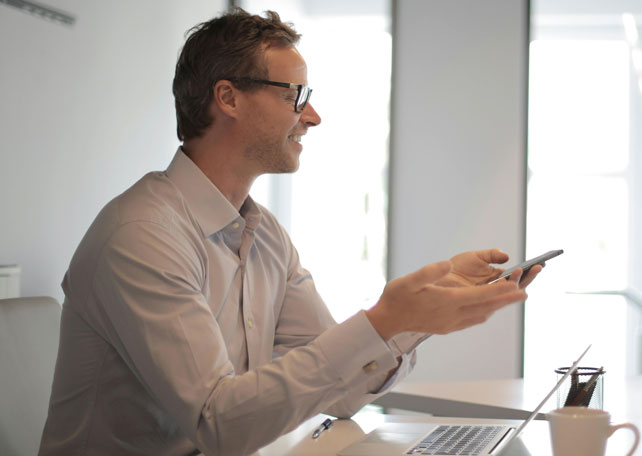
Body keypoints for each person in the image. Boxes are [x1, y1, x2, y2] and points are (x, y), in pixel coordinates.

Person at [39, 8, 541, 456]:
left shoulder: (265, 236)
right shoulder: (143, 236)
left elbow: (341, 393)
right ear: (228, 98)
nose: (313, 116)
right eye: (295, 95)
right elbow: (218, 427)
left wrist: (416, 315)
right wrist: (385, 319)